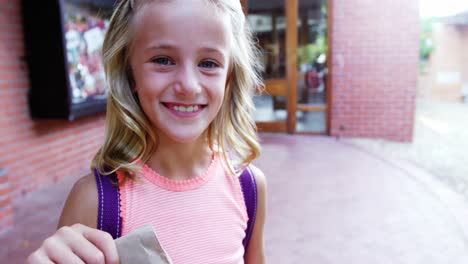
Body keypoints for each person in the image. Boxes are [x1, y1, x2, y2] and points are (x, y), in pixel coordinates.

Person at [26, 0, 267, 263]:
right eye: (163, 60)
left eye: (208, 63)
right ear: (130, 74)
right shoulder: (95, 201)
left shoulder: (249, 187)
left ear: (229, 77)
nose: (188, 85)